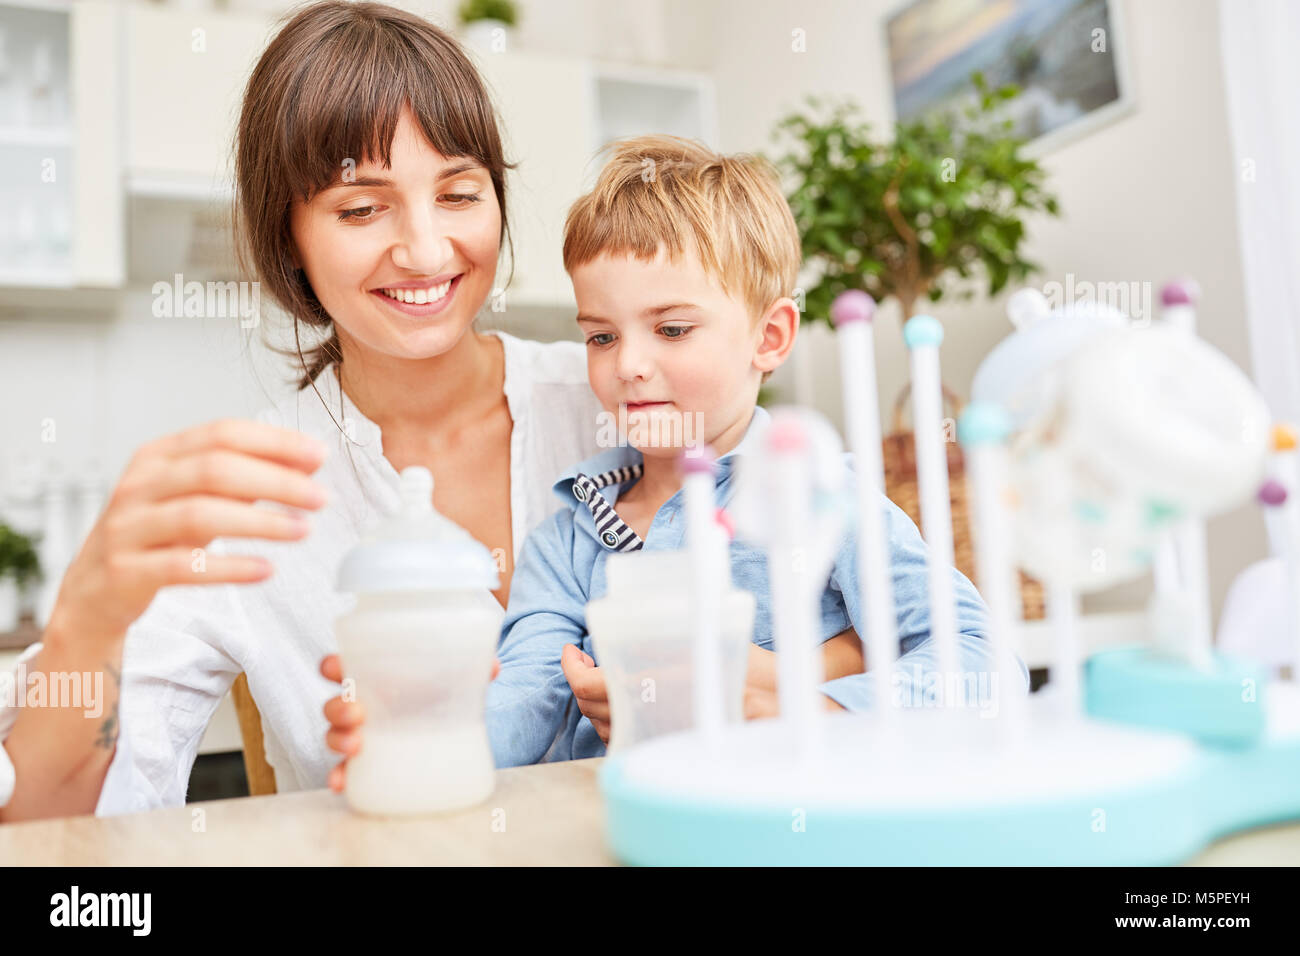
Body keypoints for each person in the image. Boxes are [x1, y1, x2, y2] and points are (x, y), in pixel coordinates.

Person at [0, 1, 606, 821]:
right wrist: (86, 625)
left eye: (460, 194)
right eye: (361, 209)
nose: (427, 250)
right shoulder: (250, 497)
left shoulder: (618, 403)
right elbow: (53, 823)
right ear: (287, 240)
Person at [326, 136, 1028, 777]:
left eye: (671, 328)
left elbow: (983, 661)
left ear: (771, 336)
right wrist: (424, 743)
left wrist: (817, 712)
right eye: (601, 337)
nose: (629, 364)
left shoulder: (820, 496)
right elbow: (527, 692)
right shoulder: (569, 539)